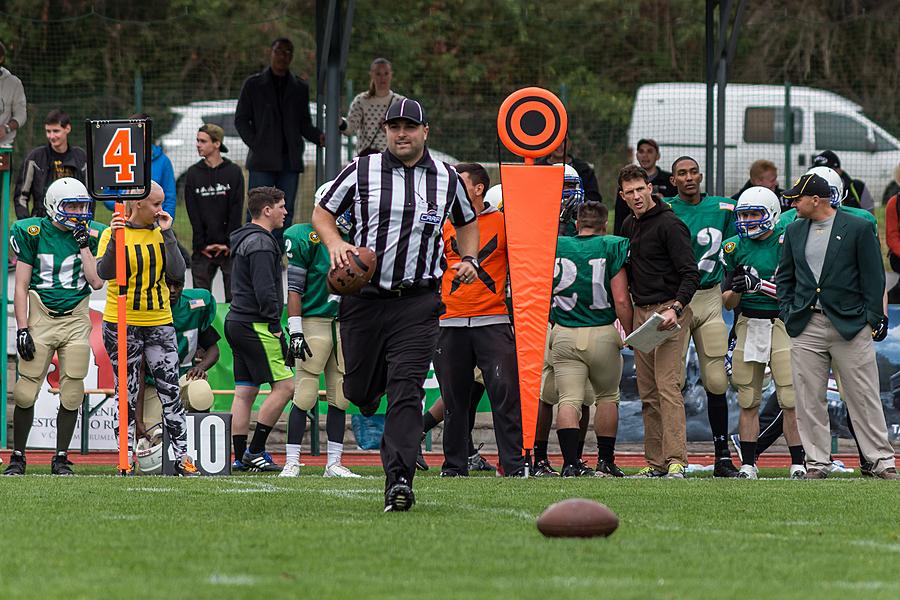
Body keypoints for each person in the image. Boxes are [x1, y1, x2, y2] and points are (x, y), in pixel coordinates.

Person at [312, 98, 479, 511]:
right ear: (385, 131)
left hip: (418, 302)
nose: (401, 133)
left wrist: (470, 259)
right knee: (359, 391)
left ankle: (399, 479)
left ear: (426, 131)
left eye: (410, 126)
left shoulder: (446, 177)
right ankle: (368, 390)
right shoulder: (361, 169)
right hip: (365, 300)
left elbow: (468, 220)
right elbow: (322, 212)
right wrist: (336, 244)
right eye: (394, 126)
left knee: (407, 391)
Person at [776, 173, 898, 479]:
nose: (792, 203)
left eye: (797, 198)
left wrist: (871, 318)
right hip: (806, 324)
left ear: (815, 200)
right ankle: (817, 463)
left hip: (850, 324)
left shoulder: (858, 227)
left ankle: (882, 462)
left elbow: (873, 277)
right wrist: (789, 314)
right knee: (808, 398)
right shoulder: (793, 230)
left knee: (864, 396)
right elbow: (785, 278)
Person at [95, 182, 199, 477]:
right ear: (138, 204)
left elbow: (178, 272)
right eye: (155, 204)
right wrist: (116, 236)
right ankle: (125, 458)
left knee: (171, 391)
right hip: (121, 322)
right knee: (125, 391)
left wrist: (168, 235)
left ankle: (183, 457)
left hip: (158, 321)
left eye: (162, 203)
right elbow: (104, 273)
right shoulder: (111, 232)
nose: (161, 210)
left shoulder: (161, 232)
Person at [4, 178, 104, 476]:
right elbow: (21, 286)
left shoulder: (91, 234)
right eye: (71, 206)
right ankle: (18, 456)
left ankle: (61, 457)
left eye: (82, 206)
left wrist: (84, 245)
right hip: (41, 316)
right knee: (25, 391)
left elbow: (97, 281)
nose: (78, 212)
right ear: (52, 206)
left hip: (75, 317)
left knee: (72, 391)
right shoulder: (31, 231)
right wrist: (22, 328)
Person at [433, 162, 525, 478]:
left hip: (493, 320)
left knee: (505, 394)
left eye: (459, 182)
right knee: (454, 401)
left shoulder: (504, 222)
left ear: (478, 188)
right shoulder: (442, 224)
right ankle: (454, 466)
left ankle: (513, 465)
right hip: (449, 322)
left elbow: (523, 267)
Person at [618, 164, 698, 478]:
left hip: (669, 311)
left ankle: (677, 459)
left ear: (651, 188)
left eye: (640, 189)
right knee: (647, 392)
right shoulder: (627, 224)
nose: (636, 196)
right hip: (641, 312)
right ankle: (656, 462)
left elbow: (691, 274)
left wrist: (675, 308)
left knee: (668, 387)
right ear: (623, 197)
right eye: (630, 192)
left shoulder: (670, 224)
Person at [720, 187, 805, 479]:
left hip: (781, 322)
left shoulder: (787, 243)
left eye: (754, 214)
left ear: (771, 213)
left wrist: (760, 286)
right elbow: (728, 301)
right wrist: (737, 288)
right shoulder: (733, 247)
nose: (747, 220)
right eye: (743, 215)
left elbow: (795, 293)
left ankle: (798, 462)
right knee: (748, 397)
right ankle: (748, 463)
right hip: (748, 321)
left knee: (789, 396)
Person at [278, 181, 359, 478]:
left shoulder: (355, 237)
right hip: (314, 321)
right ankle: (292, 460)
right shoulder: (305, 236)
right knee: (305, 393)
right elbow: (295, 288)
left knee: (340, 395)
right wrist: (295, 329)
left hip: (344, 324)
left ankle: (334, 463)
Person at [666, 156, 740, 477]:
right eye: (682, 173)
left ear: (701, 175)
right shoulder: (664, 210)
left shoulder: (725, 208)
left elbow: (740, 244)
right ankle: (673, 457)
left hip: (710, 296)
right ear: (673, 181)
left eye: (693, 172)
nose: (689, 177)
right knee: (672, 381)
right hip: (676, 300)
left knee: (716, 380)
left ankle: (722, 455)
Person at [549, 201, 632, 477]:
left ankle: (571, 463)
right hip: (601, 332)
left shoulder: (557, 245)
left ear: (576, 224)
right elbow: (621, 299)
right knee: (608, 397)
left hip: (564, 332)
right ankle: (605, 461)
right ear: (604, 226)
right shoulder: (612, 245)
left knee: (569, 400)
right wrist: (630, 332)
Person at [225, 186, 295, 472]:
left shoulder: (243, 237)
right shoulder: (263, 243)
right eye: (281, 206)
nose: (285, 212)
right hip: (255, 323)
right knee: (287, 386)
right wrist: (276, 326)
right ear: (267, 210)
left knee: (244, 393)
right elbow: (266, 290)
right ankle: (255, 450)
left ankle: (241, 456)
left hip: (236, 321)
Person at [533, 166, 595, 477]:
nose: (565, 195)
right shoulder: (534, 224)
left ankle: (575, 456)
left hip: (580, 317)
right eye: (560, 187)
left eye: (569, 186)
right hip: (544, 315)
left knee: (581, 393)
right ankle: (539, 456)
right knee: (545, 392)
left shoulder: (583, 227)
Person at [234, 37, 324, 246]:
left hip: (289, 161)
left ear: (291, 56)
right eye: (279, 51)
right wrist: (256, 144)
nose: (283, 56)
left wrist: (319, 137)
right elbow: (241, 120)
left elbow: (303, 124)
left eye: (288, 52)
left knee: (285, 210)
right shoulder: (253, 84)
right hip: (262, 161)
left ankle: (276, 253)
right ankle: (252, 248)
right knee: (258, 208)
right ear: (271, 52)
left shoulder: (299, 87)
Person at [137, 275, 220, 433]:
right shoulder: (145, 310)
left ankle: (198, 440)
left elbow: (213, 349)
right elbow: (139, 370)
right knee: (153, 439)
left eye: (178, 285)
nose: (173, 290)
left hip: (183, 379)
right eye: (168, 285)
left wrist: (201, 367)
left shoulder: (193, 306)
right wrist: (138, 418)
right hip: (152, 384)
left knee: (200, 392)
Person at [183, 123, 244, 302]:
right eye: (197, 141)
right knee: (200, 301)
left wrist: (228, 243)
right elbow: (192, 212)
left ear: (217, 144)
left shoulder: (233, 172)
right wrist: (202, 244)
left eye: (203, 141)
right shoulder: (193, 173)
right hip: (203, 249)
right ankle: (202, 331)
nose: (198, 145)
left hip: (229, 248)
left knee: (235, 299)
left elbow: (236, 208)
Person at [14, 110, 87, 220]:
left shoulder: (80, 157)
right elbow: (21, 196)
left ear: (67, 129)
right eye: (48, 131)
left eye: (56, 131)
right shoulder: (35, 157)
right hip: (43, 220)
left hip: (75, 221)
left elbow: (89, 194)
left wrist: (86, 222)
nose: (51, 136)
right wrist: (27, 225)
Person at [103, 113, 177, 219]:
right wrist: (125, 207)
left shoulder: (163, 161)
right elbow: (107, 196)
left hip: (154, 223)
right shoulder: (117, 159)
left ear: (149, 132)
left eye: (140, 130)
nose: (136, 135)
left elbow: (170, 197)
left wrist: (163, 221)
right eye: (132, 130)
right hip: (125, 221)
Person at [340, 58, 404, 156]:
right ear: (372, 74)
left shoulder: (400, 102)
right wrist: (340, 122)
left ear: (391, 74)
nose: (382, 78)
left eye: (386, 73)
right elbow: (350, 128)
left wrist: (390, 129)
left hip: (393, 158)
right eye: (378, 74)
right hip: (367, 158)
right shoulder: (361, 100)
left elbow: (406, 132)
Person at [537, 134, 602, 204]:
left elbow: (594, 199)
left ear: (570, 143)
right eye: (556, 141)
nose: (560, 145)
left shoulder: (584, 169)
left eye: (563, 141)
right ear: (547, 143)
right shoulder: (537, 169)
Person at [0, 41, 26, 147]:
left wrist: (6, 128)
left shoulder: (14, 83)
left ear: (1, 58)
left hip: (3, 146)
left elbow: (21, 115)